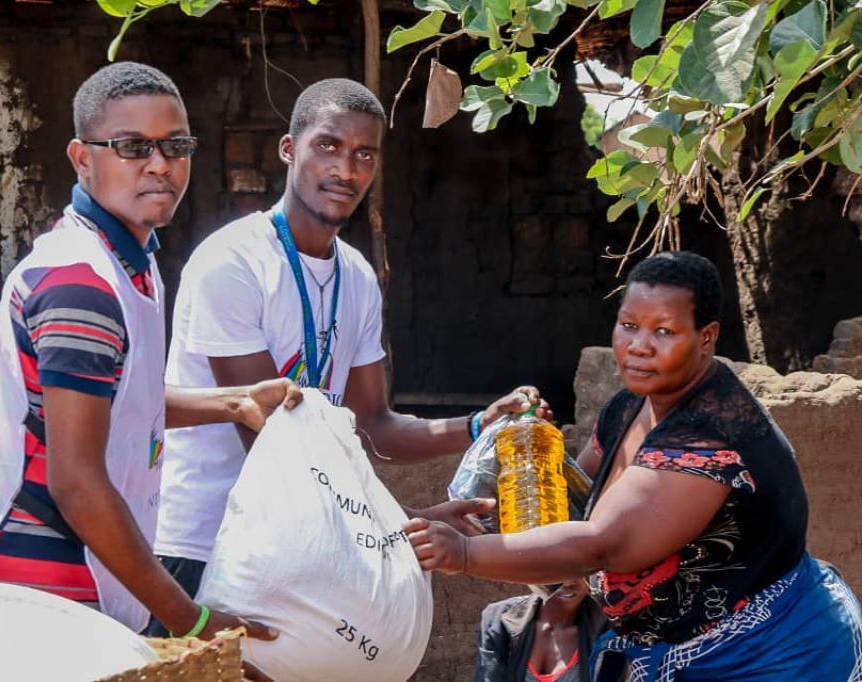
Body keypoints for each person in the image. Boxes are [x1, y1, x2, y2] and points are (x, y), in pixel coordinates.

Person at [0, 62, 301, 649]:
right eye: (131, 146)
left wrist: (237, 401)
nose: (160, 163)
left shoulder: (132, 262)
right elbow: (77, 483)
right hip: (44, 586)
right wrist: (190, 619)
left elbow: (119, 402)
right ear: (81, 157)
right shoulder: (82, 286)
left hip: (87, 572)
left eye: (175, 145)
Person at [150, 78, 546, 633]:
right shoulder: (233, 262)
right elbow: (274, 441)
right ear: (290, 150)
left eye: (365, 154)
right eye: (329, 146)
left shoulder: (356, 277)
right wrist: (401, 520)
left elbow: (374, 426)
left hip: (305, 545)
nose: (347, 169)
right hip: (206, 546)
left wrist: (481, 425)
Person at [406, 251, 862, 680]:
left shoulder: (710, 437)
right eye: (629, 325)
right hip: (682, 650)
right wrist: (529, 451)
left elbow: (600, 543)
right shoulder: (627, 407)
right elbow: (579, 502)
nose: (639, 346)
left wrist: (463, 555)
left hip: (769, 658)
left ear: (707, 338)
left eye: (664, 331)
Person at [476, 580, 605, 682]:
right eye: (554, 572)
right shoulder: (499, 619)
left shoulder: (607, 628)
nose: (567, 582)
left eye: (577, 571)